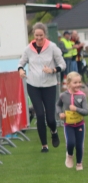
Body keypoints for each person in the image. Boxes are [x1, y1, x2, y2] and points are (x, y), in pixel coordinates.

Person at [18, 22, 65, 152]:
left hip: (49, 86)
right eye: (36, 35)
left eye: (41, 35)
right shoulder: (28, 49)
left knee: (50, 118)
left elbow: (62, 64)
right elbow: (21, 63)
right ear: (33, 35)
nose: (38, 38)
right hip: (33, 85)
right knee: (39, 114)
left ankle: (54, 131)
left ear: (45, 35)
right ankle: (44, 145)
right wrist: (21, 70)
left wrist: (53, 70)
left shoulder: (52, 47)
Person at [56, 72, 88, 170]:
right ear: (68, 83)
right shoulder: (63, 95)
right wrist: (60, 113)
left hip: (80, 124)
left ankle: (79, 163)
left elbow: (86, 111)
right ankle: (69, 155)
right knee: (70, 143)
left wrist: (76, 109)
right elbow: (58, 105)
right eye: (75, 83)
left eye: (79, 82)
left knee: (79, 145)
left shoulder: (82, 96)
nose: (78, 84)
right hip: (68, 125)